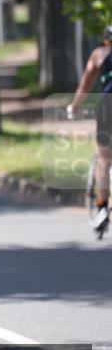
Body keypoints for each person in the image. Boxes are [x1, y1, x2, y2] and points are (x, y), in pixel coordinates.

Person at [67, 25, 112, 234]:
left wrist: (74, 107)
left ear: (106, 40)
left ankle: (101, 206)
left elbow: (85, 85)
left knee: (104, 158)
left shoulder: (99, 54)